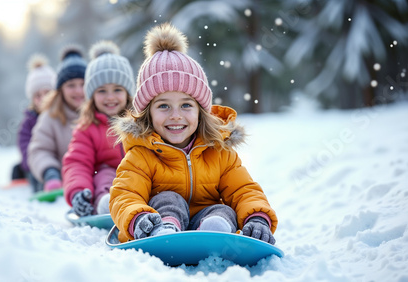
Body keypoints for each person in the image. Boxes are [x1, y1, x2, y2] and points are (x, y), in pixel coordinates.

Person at [109, 23, 278, 244]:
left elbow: (243, 190)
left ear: (201, 111)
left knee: (222, 210)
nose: (176, 115)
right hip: (159, 221)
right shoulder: (141, 154)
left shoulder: (219, 151)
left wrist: (258, 217)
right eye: (163, 106)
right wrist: (138, 217)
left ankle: (214, 230)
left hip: (206, 218)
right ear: (147, 113)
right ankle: (165, 229)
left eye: (186, 105)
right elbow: (124, 195)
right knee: (168, 198)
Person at [62, 41, 135, 216]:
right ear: (92, 96)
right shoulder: (87, 128)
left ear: (128, 93)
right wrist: (78, 191)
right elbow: (77, 163)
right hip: (107, 182)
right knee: (104, 173)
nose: (110, 97)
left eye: (117, 89)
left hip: (139, 178)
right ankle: (106, 203)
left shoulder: (141, 122)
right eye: (102, 91)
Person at [27, 45, 87, 193]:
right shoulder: (50, 117)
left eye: (83, 84)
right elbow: (40, 149)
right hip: (62, 179)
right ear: (60, 90)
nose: (78, 90)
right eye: (71, 85)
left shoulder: (99, 114)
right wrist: (50, 172)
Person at [12, 54, 56, 188]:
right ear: (32, 99)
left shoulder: (61, 117)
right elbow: (25, 149)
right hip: (38, 165)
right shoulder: (28, 123)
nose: (43, 98)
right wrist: (38, 164)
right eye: (38, 95)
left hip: (60, 162)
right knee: (20, 170)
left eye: (47, 93)